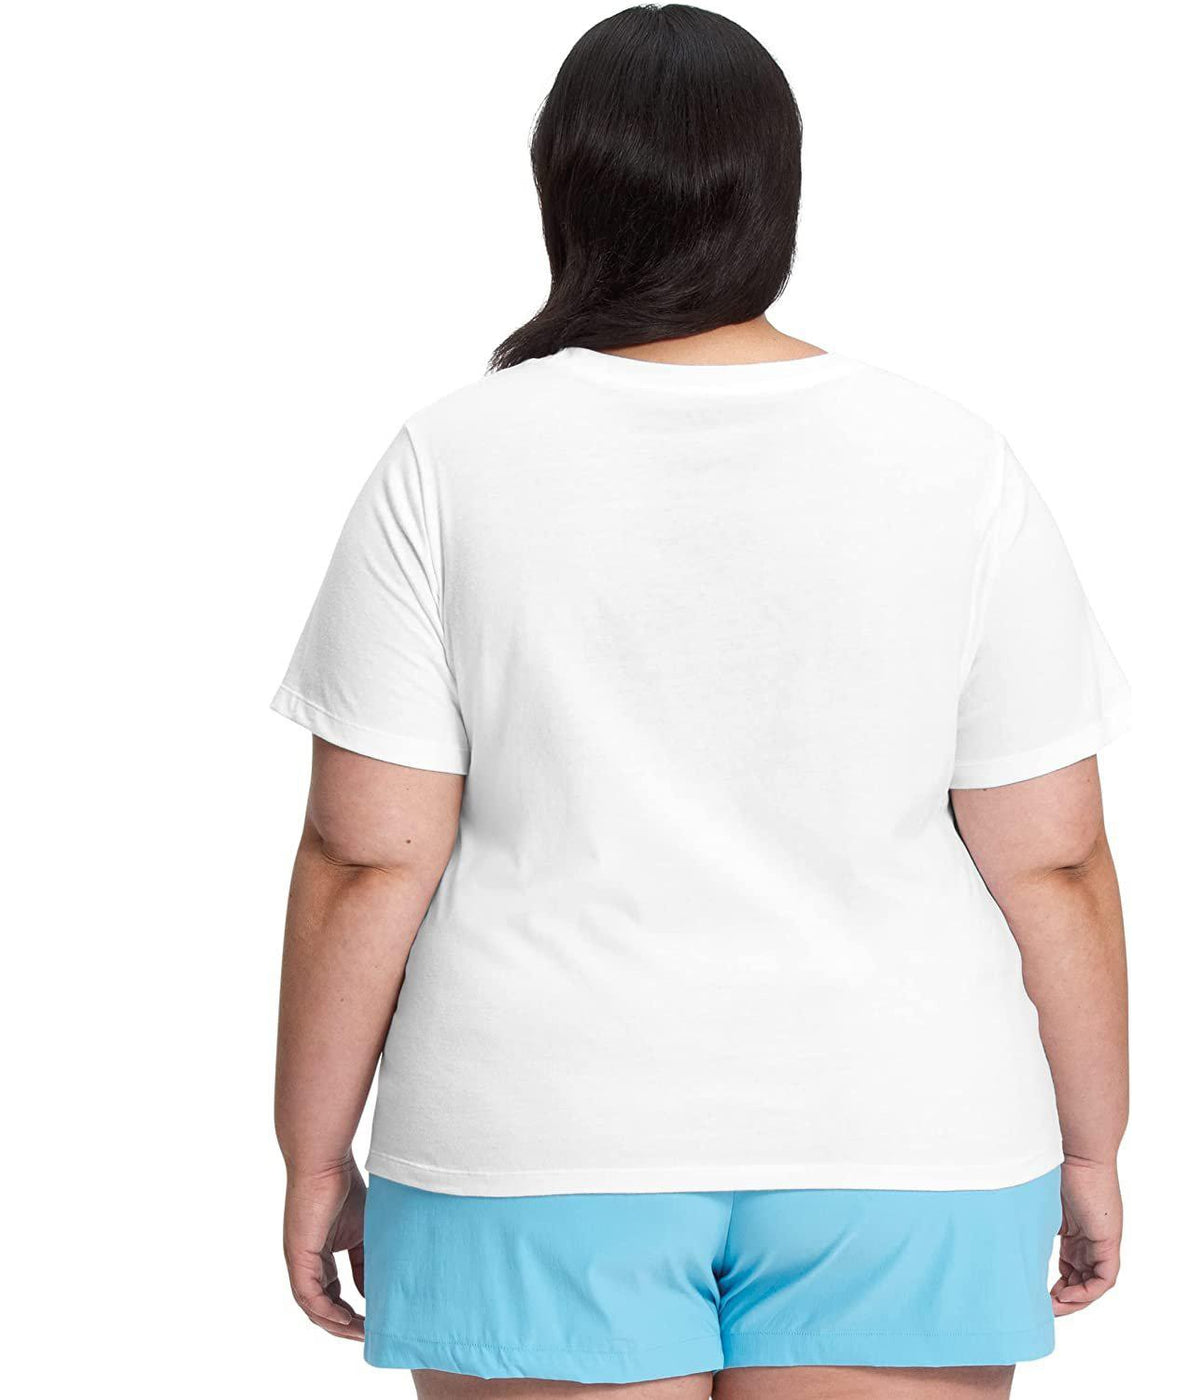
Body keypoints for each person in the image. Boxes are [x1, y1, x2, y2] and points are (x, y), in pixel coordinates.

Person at [272, 7, 1130, 1399]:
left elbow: (367, 853)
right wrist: (1091, 1143)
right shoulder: (952, 459)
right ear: (775, 195)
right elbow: (1057, 855)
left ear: (564, 188)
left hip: (535, 1133)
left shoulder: (453, 457)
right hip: (906, 1130)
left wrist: (313, 1152)